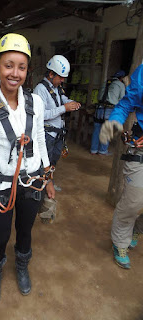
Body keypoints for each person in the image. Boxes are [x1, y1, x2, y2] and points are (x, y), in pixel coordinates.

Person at [0, 33, 55, 305]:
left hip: (31, 183)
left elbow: (40, 139)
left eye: (21, 66)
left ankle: (21, 265)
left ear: (28, 70)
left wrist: (48, 177)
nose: (14, 73)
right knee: (1, 235)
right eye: (8, 65)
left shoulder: (36, 103)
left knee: (26, 230)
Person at [99, 64, 143, 269]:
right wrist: (115, 121)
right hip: (140, 146)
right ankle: (120, 242)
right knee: (133, 202)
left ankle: (137, 227)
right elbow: (126, 103)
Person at [33, 55, 81, 191]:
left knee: (53, 161)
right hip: (47, 135)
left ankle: (49, 183)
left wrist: (70, 103)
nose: (62, 80)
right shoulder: (40, 90)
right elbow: (41, 115)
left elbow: (62, 98)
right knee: (44, 162)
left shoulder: (56, 87)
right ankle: (41, 187)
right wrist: (64, 108)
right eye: (60, 77)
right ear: (51, 74)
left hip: (57, 134)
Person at [90, 70, 126, 155]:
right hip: (109, 110)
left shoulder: (105, 83)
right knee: (107, 130)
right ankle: (102, 151)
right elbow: (123, 99)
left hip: (99, 109)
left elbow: (99, 96)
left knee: (96, 130)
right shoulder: (120, 85)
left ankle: (93, 150)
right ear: (121, 78)